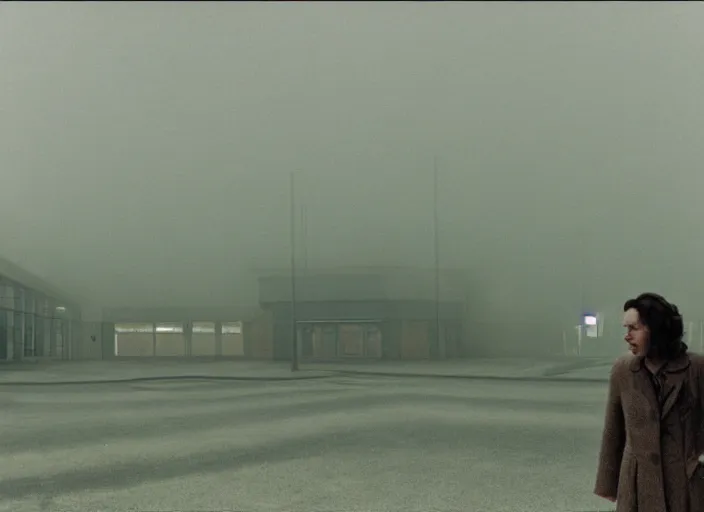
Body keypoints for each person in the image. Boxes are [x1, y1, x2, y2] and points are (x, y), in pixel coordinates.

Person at [594, 292, 704, 512]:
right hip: (637, 486)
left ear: (656, 330)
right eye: (626, 329)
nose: (627, 336)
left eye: (633, 328)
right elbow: (613, 431)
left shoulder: (696, 368)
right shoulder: (623, 370)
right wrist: (608, 484)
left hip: (686, 485)